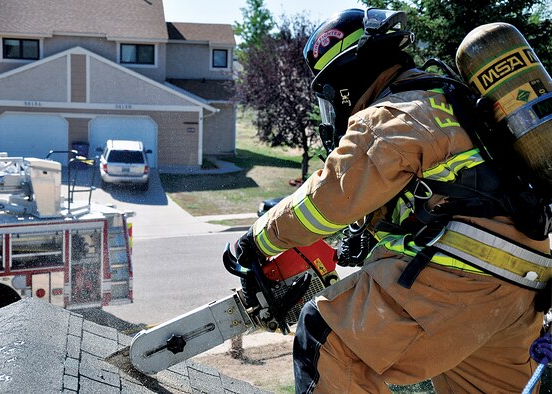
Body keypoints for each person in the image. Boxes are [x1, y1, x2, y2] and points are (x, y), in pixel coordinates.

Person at [232, 7, 552, 393]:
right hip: (522, 290)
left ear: (348, 76)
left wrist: (257, 240)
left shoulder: (391, 113)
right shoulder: (449, 101)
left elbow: (330, 198)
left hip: (458, 281)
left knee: (326, 339)